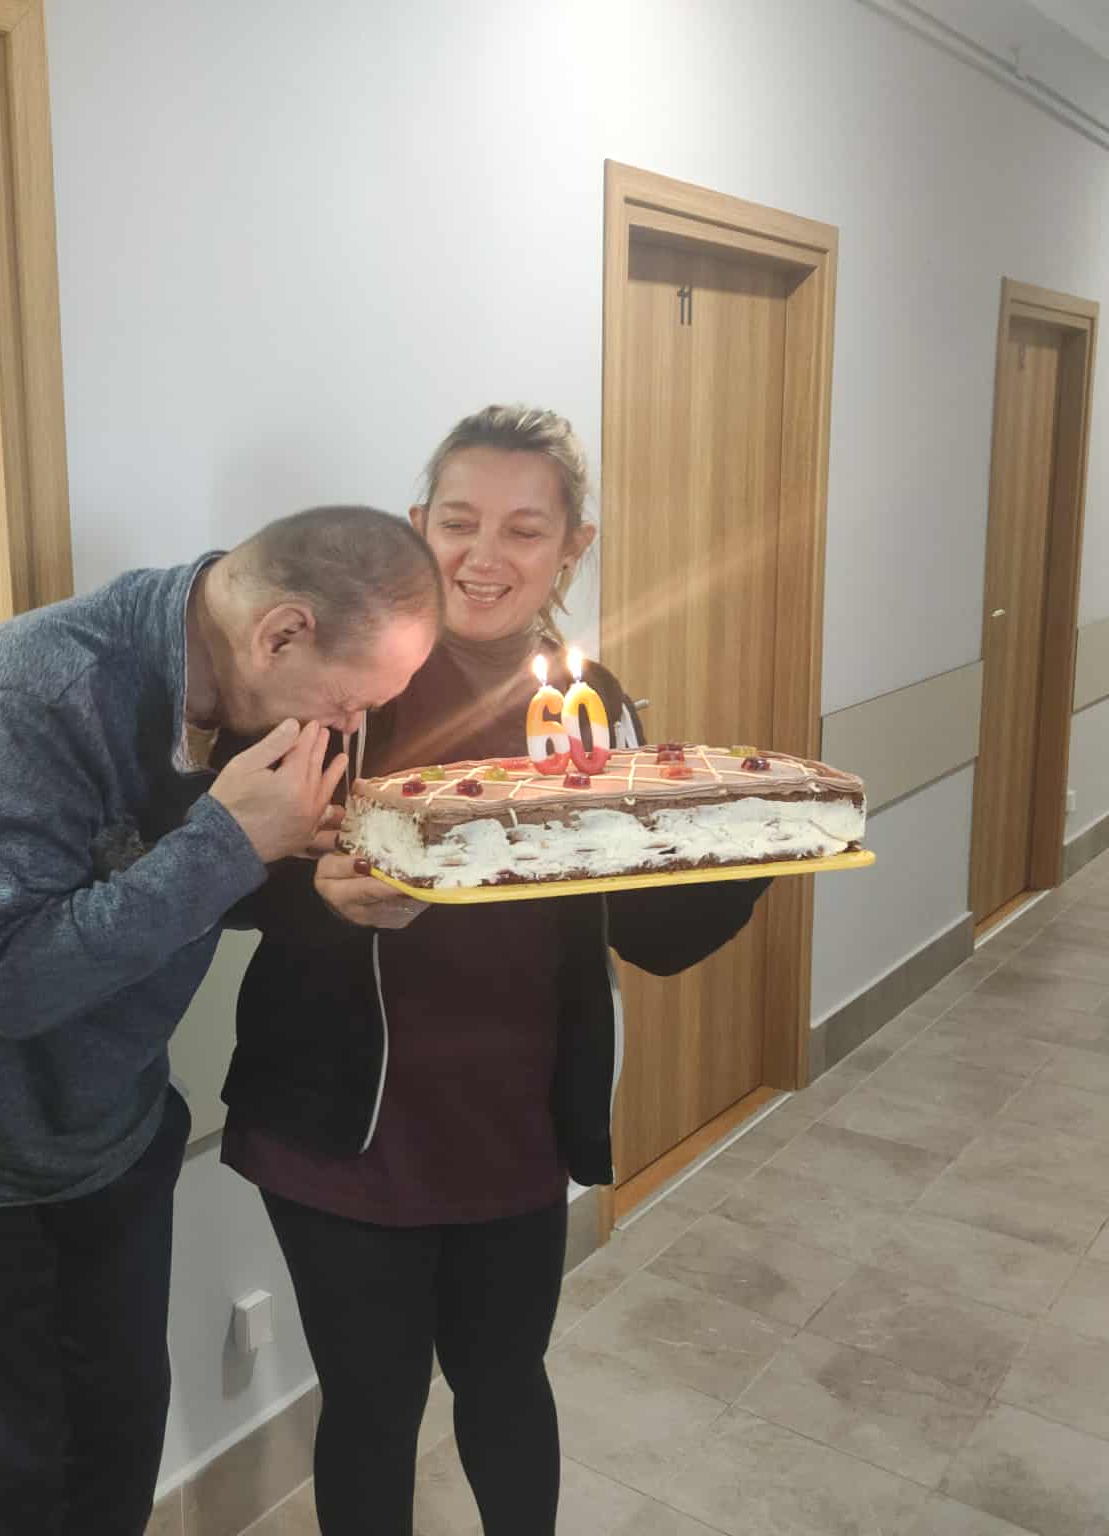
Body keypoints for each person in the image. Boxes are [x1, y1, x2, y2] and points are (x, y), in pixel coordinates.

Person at [0, 507, 444, 1534]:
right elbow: (9, 980)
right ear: (281, 632)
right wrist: (229, 841)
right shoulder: (35, 693)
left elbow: (199, 890)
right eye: (350, 700)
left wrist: (326, 889)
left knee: (117, 1447)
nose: (349, 728)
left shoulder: (254, 700)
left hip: (116, 1128)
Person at [222, 406, 770, 1535]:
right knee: (373, 1410)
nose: (485, 555)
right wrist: (325, 902)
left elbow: (648, 933)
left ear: (572, 547)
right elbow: (223, 883)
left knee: (507, 1385)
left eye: (525, 530)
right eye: (459, 521)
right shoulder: (339, 680)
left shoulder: (590, 706)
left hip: (513, 1128)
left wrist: (757, 843)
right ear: (417, 524)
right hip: (342, 1129)